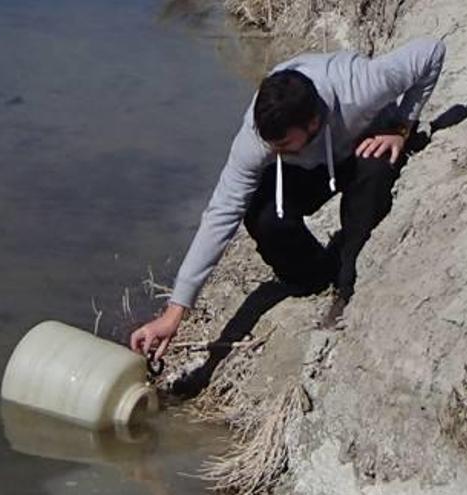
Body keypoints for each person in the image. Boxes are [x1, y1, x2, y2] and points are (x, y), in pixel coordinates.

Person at [130, 38, 446, 360]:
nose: (270, 149)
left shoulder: (361, 86)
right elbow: (221, 213)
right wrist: (175, 312)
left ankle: (348, 279)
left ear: (311, 122)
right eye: (269, 143)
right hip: (306, 165)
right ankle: (315, 276)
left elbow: (431, 52)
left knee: (376, 170)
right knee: (261, 215)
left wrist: (401, 126)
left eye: (280, 143)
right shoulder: (259, 137)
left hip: (362, 146)